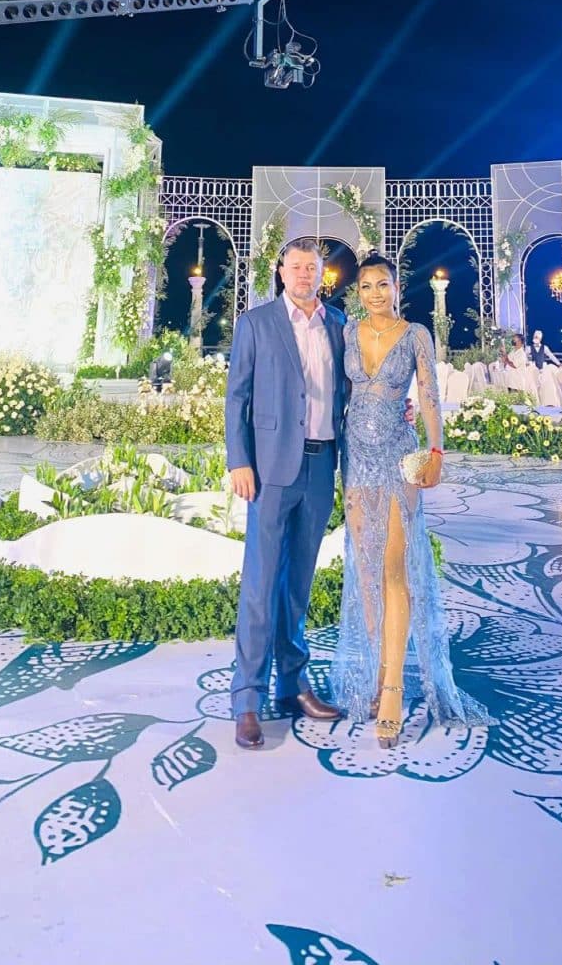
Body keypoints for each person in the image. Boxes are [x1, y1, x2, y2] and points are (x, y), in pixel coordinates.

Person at [330, 252, 492, 749]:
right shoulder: (347, 333)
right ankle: (380, 670)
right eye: (366, 286)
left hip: (399, 459)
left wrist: (436, 451)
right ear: (357, 292)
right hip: (356, 459)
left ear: (397, 287)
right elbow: (337, 394)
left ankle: (394, 689)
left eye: (383, 284)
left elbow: (428, 396)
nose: (374, 294)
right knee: (365, 571)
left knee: (393, 570)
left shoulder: (416, 334)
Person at [225, 238, 345, 749]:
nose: (302, 274)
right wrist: (239, 459)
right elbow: (237, 396)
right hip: (271, 469)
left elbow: (351, 392)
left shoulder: (337, 325)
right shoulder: (256, 323)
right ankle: (247, 699)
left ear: (321, 273)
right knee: (259, 584)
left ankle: (292, 686)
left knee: (297, 585)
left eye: (311, 267)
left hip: (320, 468)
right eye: (294, 266)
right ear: (280, 271)